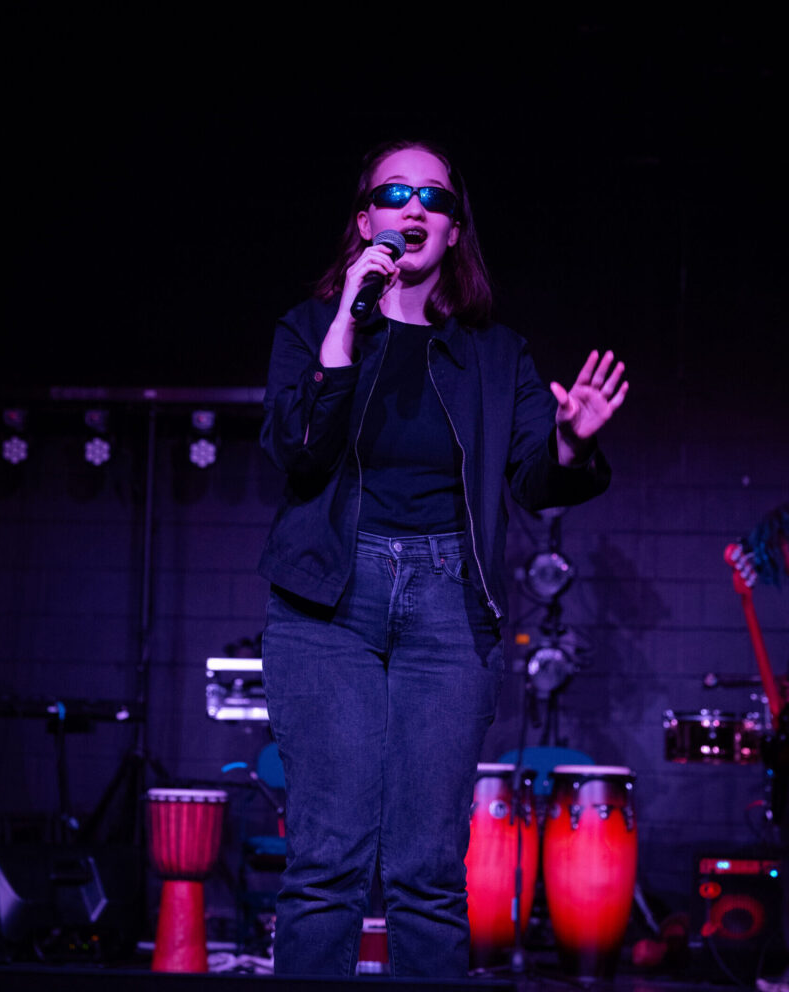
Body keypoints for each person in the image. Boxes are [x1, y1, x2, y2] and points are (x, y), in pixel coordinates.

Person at [258, 139, 628, 978]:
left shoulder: (498, 356)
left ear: (455, 232)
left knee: (426, 871)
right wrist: (351, 318)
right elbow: (299, 449)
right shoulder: (311, 328)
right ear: (365, 221)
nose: (415, 209)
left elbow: (539, 480)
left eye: (435, 199)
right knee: (327, 865)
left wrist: (571, 441)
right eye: (395, 194)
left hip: (447, 604)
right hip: (328, 602)